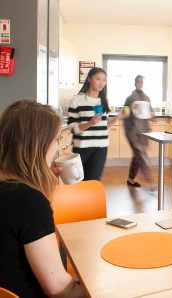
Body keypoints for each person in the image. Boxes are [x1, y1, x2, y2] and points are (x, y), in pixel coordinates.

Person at [0, 100, 85, 297]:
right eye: (56, 140)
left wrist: (43, 182)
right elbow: (58, 288)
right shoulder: (27, 201)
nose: (58, 148)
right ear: (38, 145)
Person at [67, 67, 122, 181]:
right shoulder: (76, 100)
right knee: (78, 181)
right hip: (82, 147)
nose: (101, 83)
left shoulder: (103, 101)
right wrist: (89, 123)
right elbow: (72, 128)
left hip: (100, 148)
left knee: (93, 182)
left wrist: (118, 118)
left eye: (104, 80)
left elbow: (104, 126)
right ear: (89, 79)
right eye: (98, 79)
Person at [123, 75, 153, 187]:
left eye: (141, 82)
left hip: (143, 132)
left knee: (137, 156)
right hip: (131, 131)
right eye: (138, 82)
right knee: (139, 154)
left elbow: (150, 113)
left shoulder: (147, 98)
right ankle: (149, 178)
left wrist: (151, 117)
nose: (140, 84)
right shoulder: (130, 98)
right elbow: (124, 113)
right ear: (135, 83)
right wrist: (130, 107)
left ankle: (130, 179)